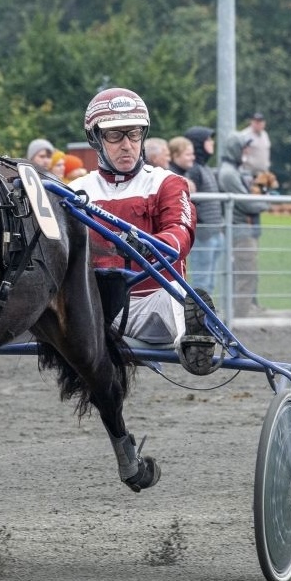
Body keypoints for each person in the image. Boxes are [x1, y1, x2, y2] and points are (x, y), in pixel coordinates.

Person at [70, 87, 216, 376]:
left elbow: (180, 231)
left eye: (134, 134)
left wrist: (152, 244)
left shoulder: (167, 182)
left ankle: (194, 340)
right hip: (93, 310)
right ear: (95, 138)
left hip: (149, 306)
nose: (127, 145)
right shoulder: (75, 191)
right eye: (115, 135)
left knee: (178, 297)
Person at [217, 132, 270, 318]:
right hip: (240, 230)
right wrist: (265, 202)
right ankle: (240, 317)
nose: (247, 151)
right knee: (246, 274)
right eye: (244, 147)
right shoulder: (229, 173)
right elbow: (247, 203)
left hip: (242, 228)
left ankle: (239, 314)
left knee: (244, 274)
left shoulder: (233, 171)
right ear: (236, 149)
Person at [183, 126, 224, 297]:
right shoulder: (194, 170)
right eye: (208, 140)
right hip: (203, 234)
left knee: (210, 281)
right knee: (202, 280)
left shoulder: (205, 168)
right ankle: (198, 312)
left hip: (214, 232)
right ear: (199, 143)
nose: (212, 143)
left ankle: (207, 312)